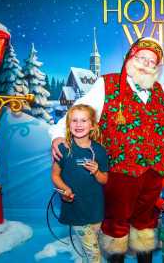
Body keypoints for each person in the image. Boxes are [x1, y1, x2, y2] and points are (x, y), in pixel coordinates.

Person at [49, 38, 164, 263]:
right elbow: (80, 109)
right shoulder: (108, 84)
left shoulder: (159, 90)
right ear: (131, 58)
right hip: (120, 173)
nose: (146, 64)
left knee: (146, 226)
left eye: (152, 61)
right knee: (117, 227)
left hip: (153, 173)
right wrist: (57, 134)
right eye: (142, 58)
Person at [51, 104, 109, 263]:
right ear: (68, 125)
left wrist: (97, 171)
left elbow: (105, 180)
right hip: (75, 209)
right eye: (74, 120)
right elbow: (55, 175)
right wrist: (65, 189)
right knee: (94, 253)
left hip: (95, 208)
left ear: (92, 125)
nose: (78, 124)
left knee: (88, 250)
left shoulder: (100, 151)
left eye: (83, 120)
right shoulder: (63, 149)